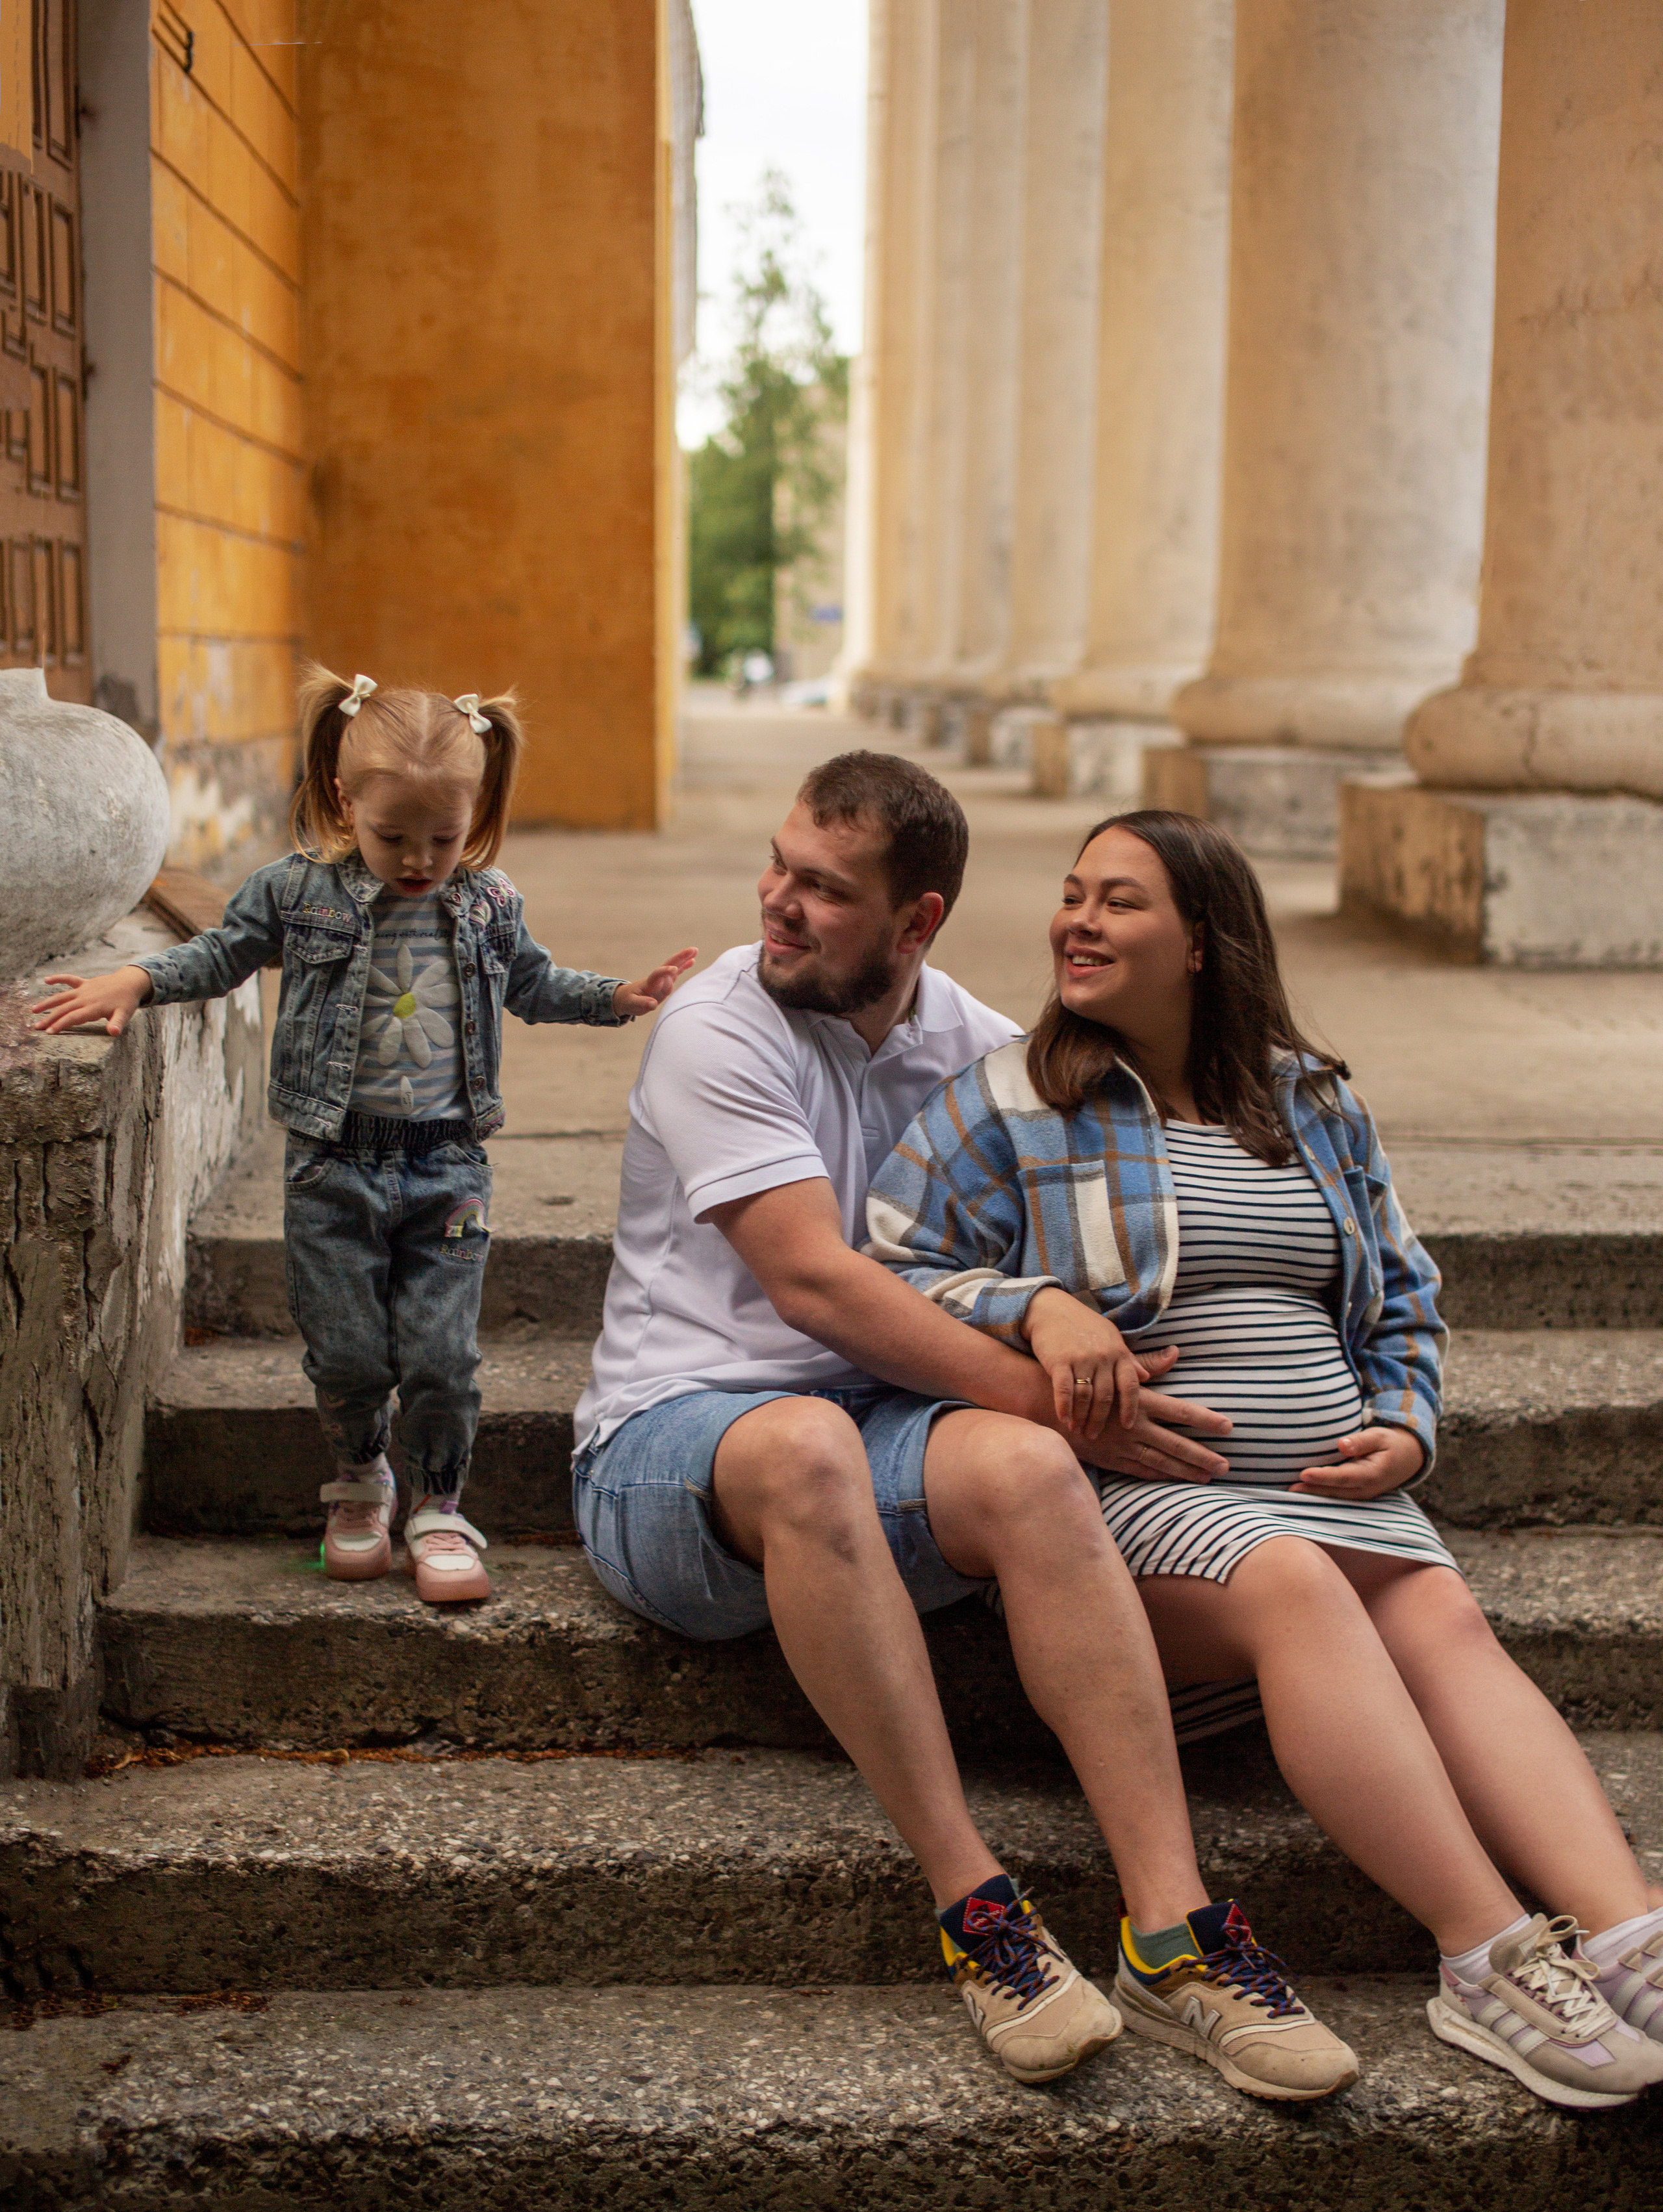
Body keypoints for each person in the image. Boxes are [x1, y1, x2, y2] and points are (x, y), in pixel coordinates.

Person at [573, 750, 1358, 2100]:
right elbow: (812, 1282)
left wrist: (1049, 1313)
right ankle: (977, 1912)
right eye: (778, 868)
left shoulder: (983, 1052)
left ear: (916, 921)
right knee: (829, 1442)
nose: (777, 903)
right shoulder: (716, 1027)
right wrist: (1041, 1375)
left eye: (823, 889)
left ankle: (1170, 1937)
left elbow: (1070, 1242)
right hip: (670, 1453)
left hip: (874, 1435)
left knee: (1029, 1462)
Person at [865, 806, 1663, 2113]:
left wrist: (1404, 1424)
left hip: (1334, 1505)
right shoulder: (1010, 1100)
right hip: (1142, 1509)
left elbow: (1402, 1291)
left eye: (1118, 901)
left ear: (1200, 941)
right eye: (1072, 896)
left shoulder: (1309, 1101)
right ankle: (1485, 1956)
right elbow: (887, 1270)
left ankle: (1624, 1933)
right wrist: (1035, 1308)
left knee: (1441, 1610)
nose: (1075, 920)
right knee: (1293, 1580)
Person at [31, 667, 695, 1606]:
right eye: (393, 837)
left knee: (441, 1355)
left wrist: (617, 998)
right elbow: (221, 954)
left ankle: (438, 1504)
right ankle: (358, 1484)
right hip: (332, 1166)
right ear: (345, 800)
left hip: (446, 1165)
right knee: (346, 1351)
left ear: (478, 815)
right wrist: (139, 982)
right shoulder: (296, 893)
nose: (419, 858)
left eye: (443, 836)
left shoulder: (487, 904)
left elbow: (534, 982)